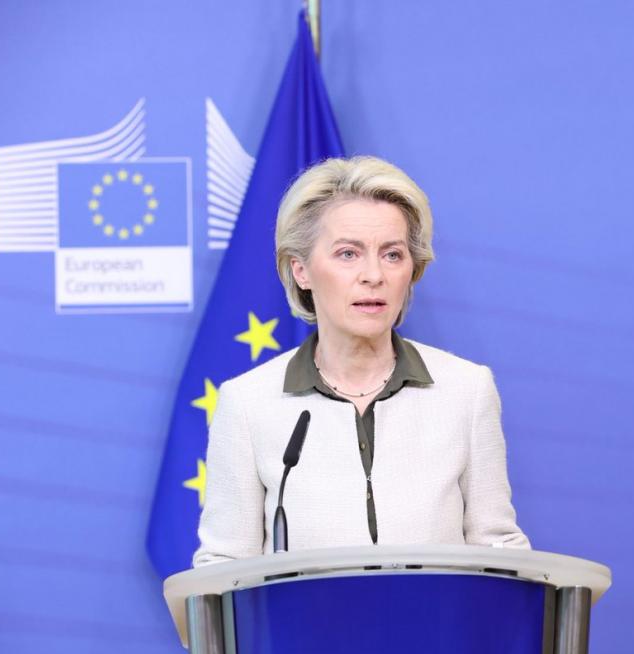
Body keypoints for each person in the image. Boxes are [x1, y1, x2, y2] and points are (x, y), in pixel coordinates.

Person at [193, 156, 529, 565]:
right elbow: (223, 568)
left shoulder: (466, 390)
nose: (374, 275)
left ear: (412, 269)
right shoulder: (248, 403)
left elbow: (497, 550)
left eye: (392, 255)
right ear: (301, 271)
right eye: (348, 254)